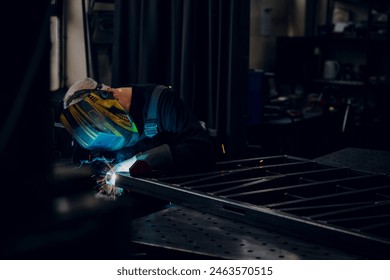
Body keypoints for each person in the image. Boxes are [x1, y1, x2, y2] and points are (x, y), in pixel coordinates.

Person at [60, 77, 216, 180]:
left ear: (108, 94)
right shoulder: (90, 126)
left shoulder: (161, 102)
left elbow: (202, 151)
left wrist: (142, 160)